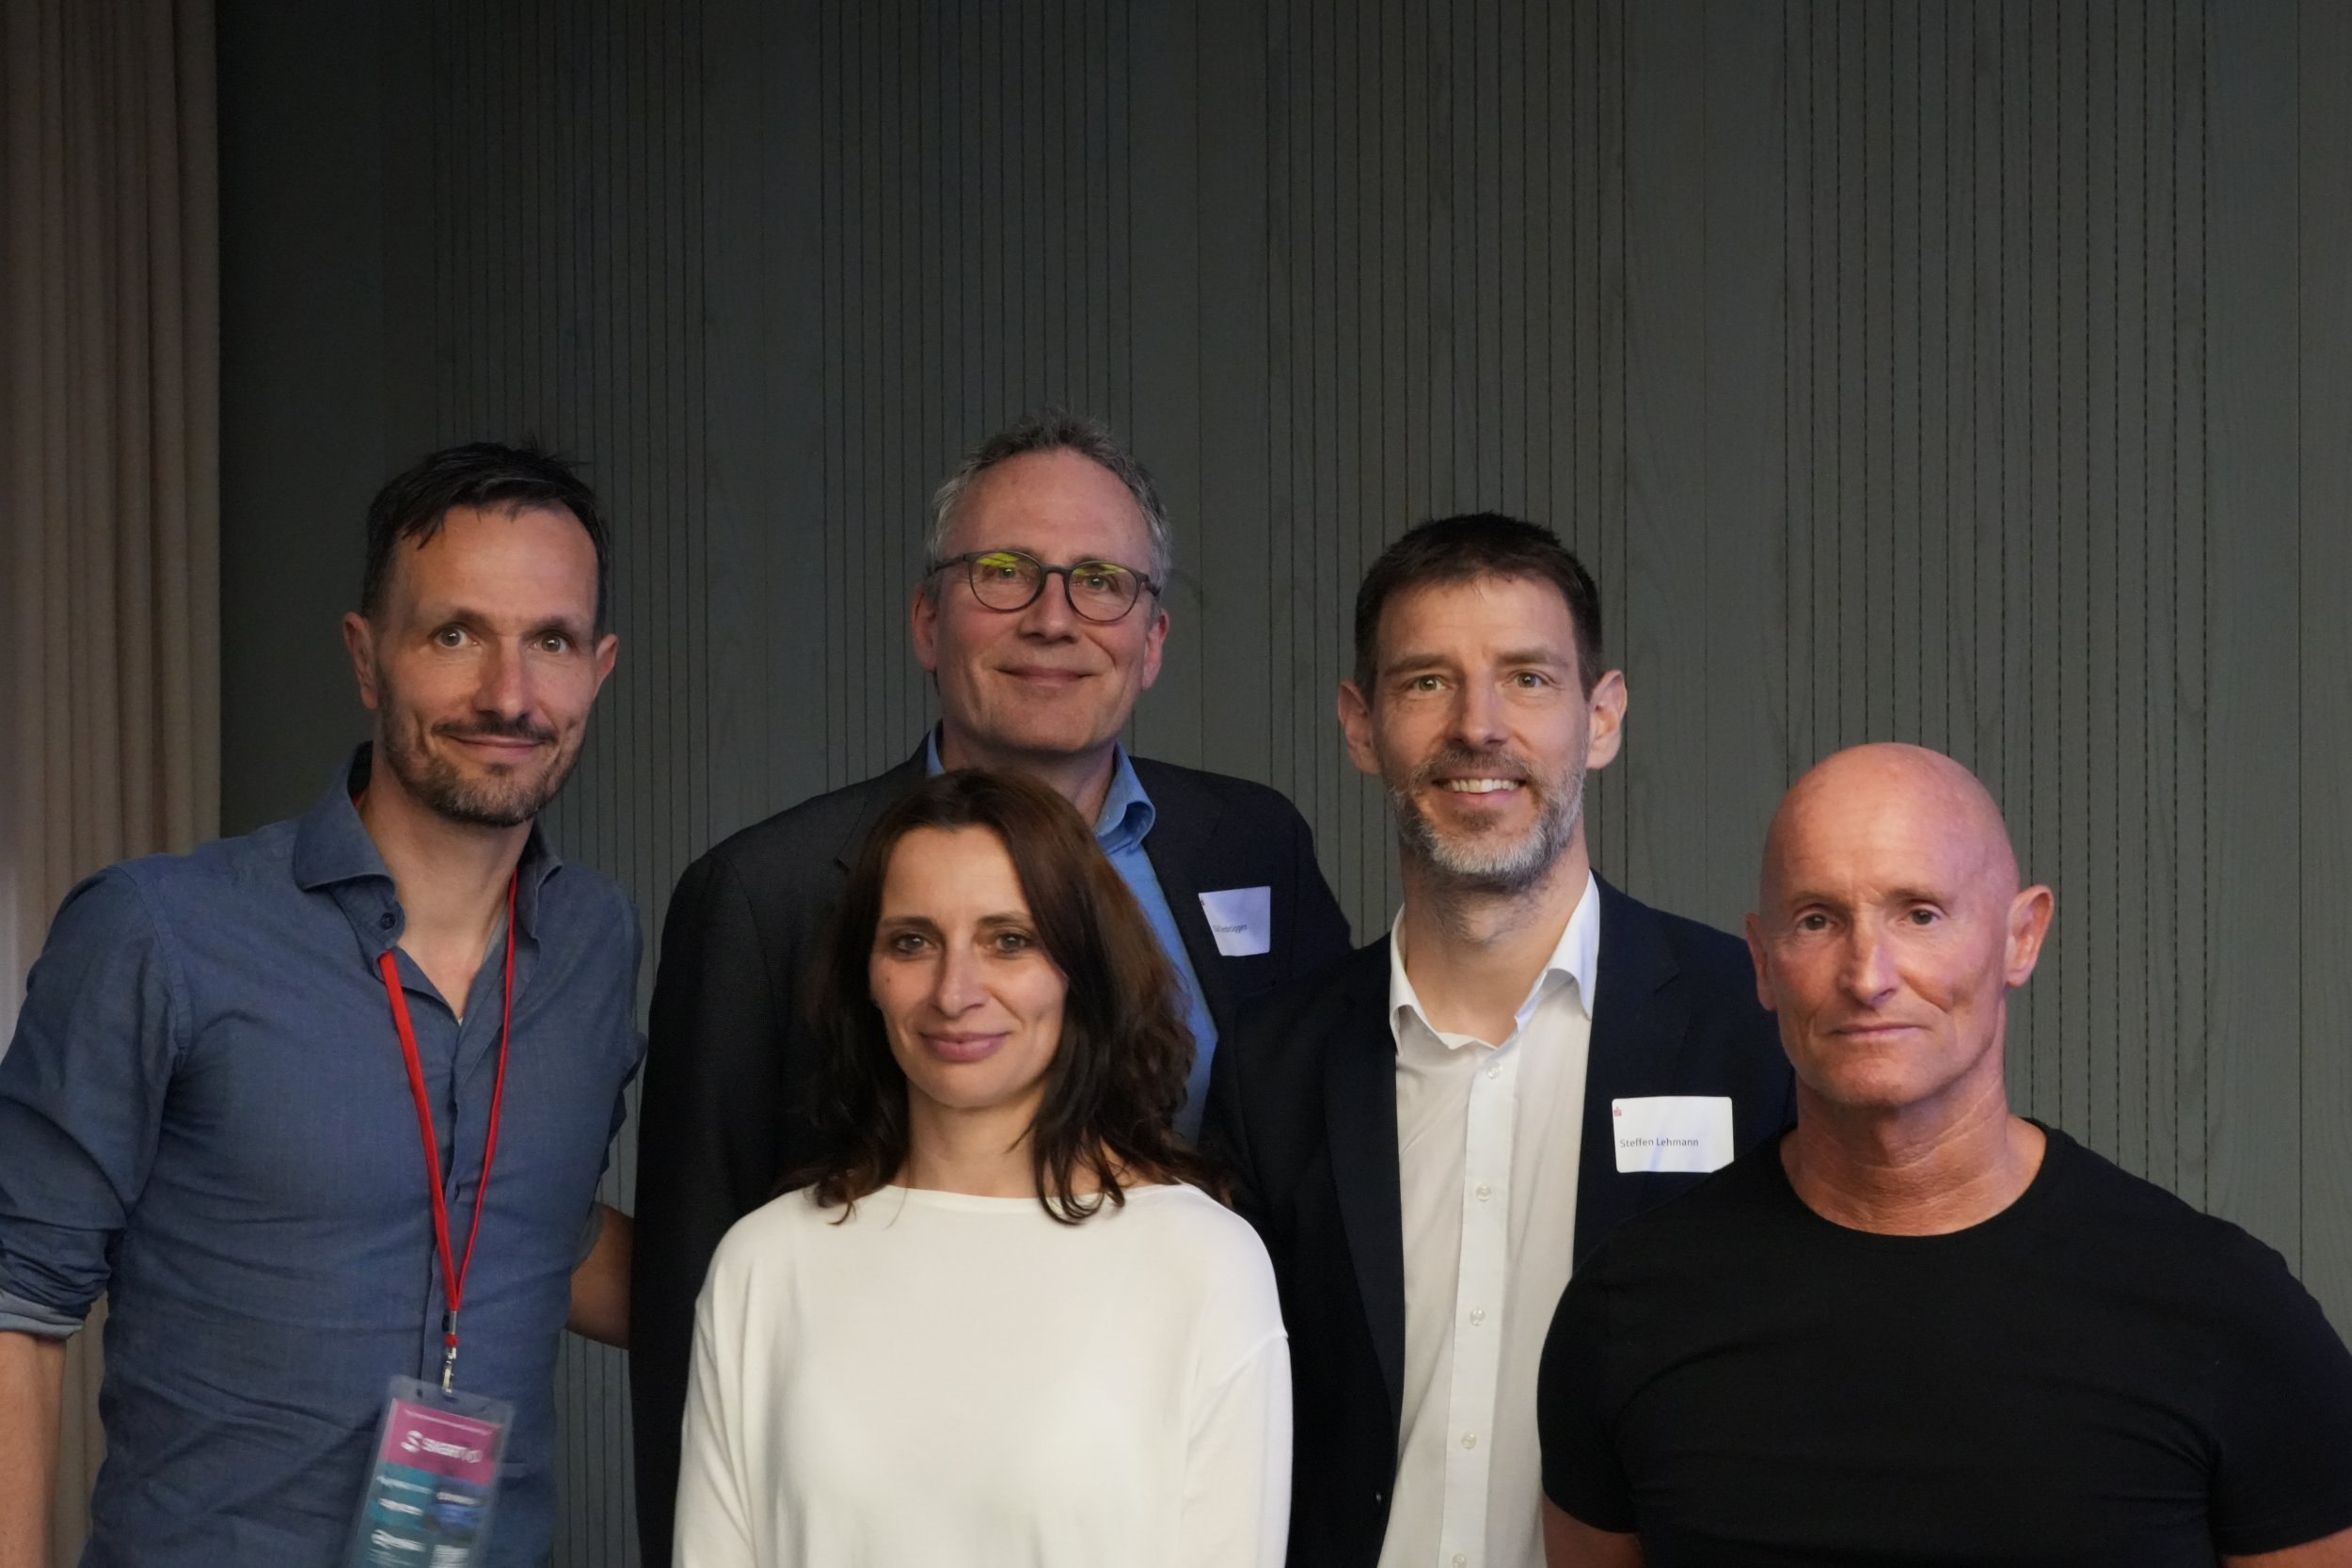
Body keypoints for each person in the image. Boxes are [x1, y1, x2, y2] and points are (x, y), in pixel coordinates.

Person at [632, 409, 1352, 1560]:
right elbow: (692, 1292)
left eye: (1101, 581)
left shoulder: (1254, 845)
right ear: (928, 619)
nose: (1053, 616)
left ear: (1153, 639)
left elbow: (1326, 1180)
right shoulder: (762, 892)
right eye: (1004, 571)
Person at [0, 444, 642, 1568]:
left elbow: (544, 1222)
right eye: (456, 634)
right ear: (367, 656)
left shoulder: (595, 941)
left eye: (550, 641)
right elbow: (17, 1296)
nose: (509, 693)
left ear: (599, 667)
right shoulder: (160, 930)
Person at [1536, 742, 2352, 1567]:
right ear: (1764, 962)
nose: (1868, 976)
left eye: (1920, 914)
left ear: (2021, 937)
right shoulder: (1626, 1311)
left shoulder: (2223, 1310)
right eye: (1817, 920)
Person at [1205, 514, 1793, 1568]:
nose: (1478, 726)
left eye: (1527, 678)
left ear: (1601, 717)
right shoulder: (1271, 1064)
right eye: (1427, 681)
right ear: (1360, 725)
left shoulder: (1747, 1026)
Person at [673, 768, 1290, 1567]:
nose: (955, 991)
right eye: (912, 941)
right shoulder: (764, 1264)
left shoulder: (1204, 1262)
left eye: (1009, 940)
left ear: (1082, 966)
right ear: (867, 974)